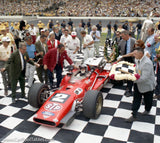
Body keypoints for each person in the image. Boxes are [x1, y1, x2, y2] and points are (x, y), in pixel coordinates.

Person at [126, 47, 156, 122]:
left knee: (148, 99)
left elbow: (144, 78)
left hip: (147, 85)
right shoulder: (137, 59)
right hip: (138, 83)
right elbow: (136, 68)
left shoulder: (147, 63)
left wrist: (132, 79)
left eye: (135, 54)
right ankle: (134, 115)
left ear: (141, 54)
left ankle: (147, 109)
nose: (133, 55)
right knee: (136, 99)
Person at [118, 30, 136, 97]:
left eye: (123, 36)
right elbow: (117, 48)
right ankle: (128, 84)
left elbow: (136, 51)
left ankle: (129, 90)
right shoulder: (121, 41)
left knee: (130, 74)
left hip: (131, 59)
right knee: (126, 73)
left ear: (127, 35)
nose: (122, 37)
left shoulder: (133, 41)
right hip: (124, 59)